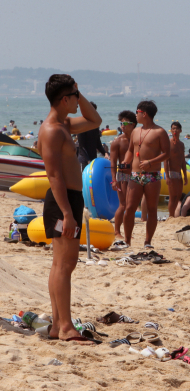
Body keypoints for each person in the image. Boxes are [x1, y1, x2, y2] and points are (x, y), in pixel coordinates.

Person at [38, 74, 102, 344]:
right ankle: (65, 327)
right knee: (65, 264)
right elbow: (54, 176)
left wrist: (79, 91)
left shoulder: (64, 124)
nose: (78, 102)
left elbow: (95, 120)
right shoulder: (52, 129)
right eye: (74, 97)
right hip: (61, 202)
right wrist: (67, 213)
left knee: (60, 264)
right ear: (65, 100)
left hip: (69, 201)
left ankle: (56, 325)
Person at [122, 100, 170, 249]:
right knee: (129, 208)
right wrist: (124, 163)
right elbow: (131, 150)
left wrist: (150, 162)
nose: (135, 115)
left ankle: (148, 241)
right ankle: (127, 241)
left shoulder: (159, 132)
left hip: (152, 175)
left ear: (144, 114)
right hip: (135, 175)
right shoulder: (136, 131)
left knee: (151, 209)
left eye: (137, 112)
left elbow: (167, 154)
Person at [110, 110, 135, 240]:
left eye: (125, 123)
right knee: (123, 204)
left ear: (133, 124)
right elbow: (113, 162)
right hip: (123, 176)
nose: (122, 125)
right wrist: (114, 180)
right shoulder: (117, 142)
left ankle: (127, 232)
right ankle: (116, 231)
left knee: (131, 206)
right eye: (121, 123)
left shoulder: (137, 139)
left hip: (136, 175)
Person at [165, 122, 188, 217]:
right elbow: (166, 161)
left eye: (177, 128)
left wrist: (185, 176)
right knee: (172, 197)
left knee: (178, 196)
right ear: (170, 130)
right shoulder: (168, 143)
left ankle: (173, 215)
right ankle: (170, 215)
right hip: (171, 173)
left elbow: (183, 161)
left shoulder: (181, 144)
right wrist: (167, 176)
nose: (175, 130)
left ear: (180, 131)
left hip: (178, 173)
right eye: (173, 128)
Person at [76, 102, 108, 170]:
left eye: (94, 111)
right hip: (84, 161)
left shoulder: (95, 126)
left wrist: (106, 153)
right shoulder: (82, 126)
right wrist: (88, 161)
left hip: (93, 160)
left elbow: (98, 145)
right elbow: (82, 147)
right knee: (83, 180)